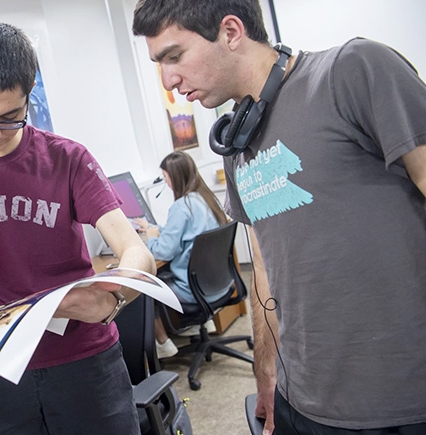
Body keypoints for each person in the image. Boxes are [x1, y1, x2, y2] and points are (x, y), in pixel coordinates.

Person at [132, 1, 426, 434]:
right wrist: (265, 369)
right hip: (299, 398)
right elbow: (265, 269)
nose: (168, 80)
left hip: (399, 401)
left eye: (174, 56)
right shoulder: (237, 147)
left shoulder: (352, 71)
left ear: (231, 32)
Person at [0, 20, 155, 435]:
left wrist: (112, 300)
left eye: (9, 118)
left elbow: (137, 252)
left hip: (85, 362)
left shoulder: (67, 160)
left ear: (29, 94)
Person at [134, 151, 227, 359]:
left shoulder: (181, 207)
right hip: (216, 284)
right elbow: (182, 233)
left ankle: (163, 342)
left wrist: (149, 237)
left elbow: (164, 250)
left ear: (175, 177)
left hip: (193, 290)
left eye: (165, 177)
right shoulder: (207, 199)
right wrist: (152, 227)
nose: (165, 182)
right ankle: (200, 323)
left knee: (144, 284)